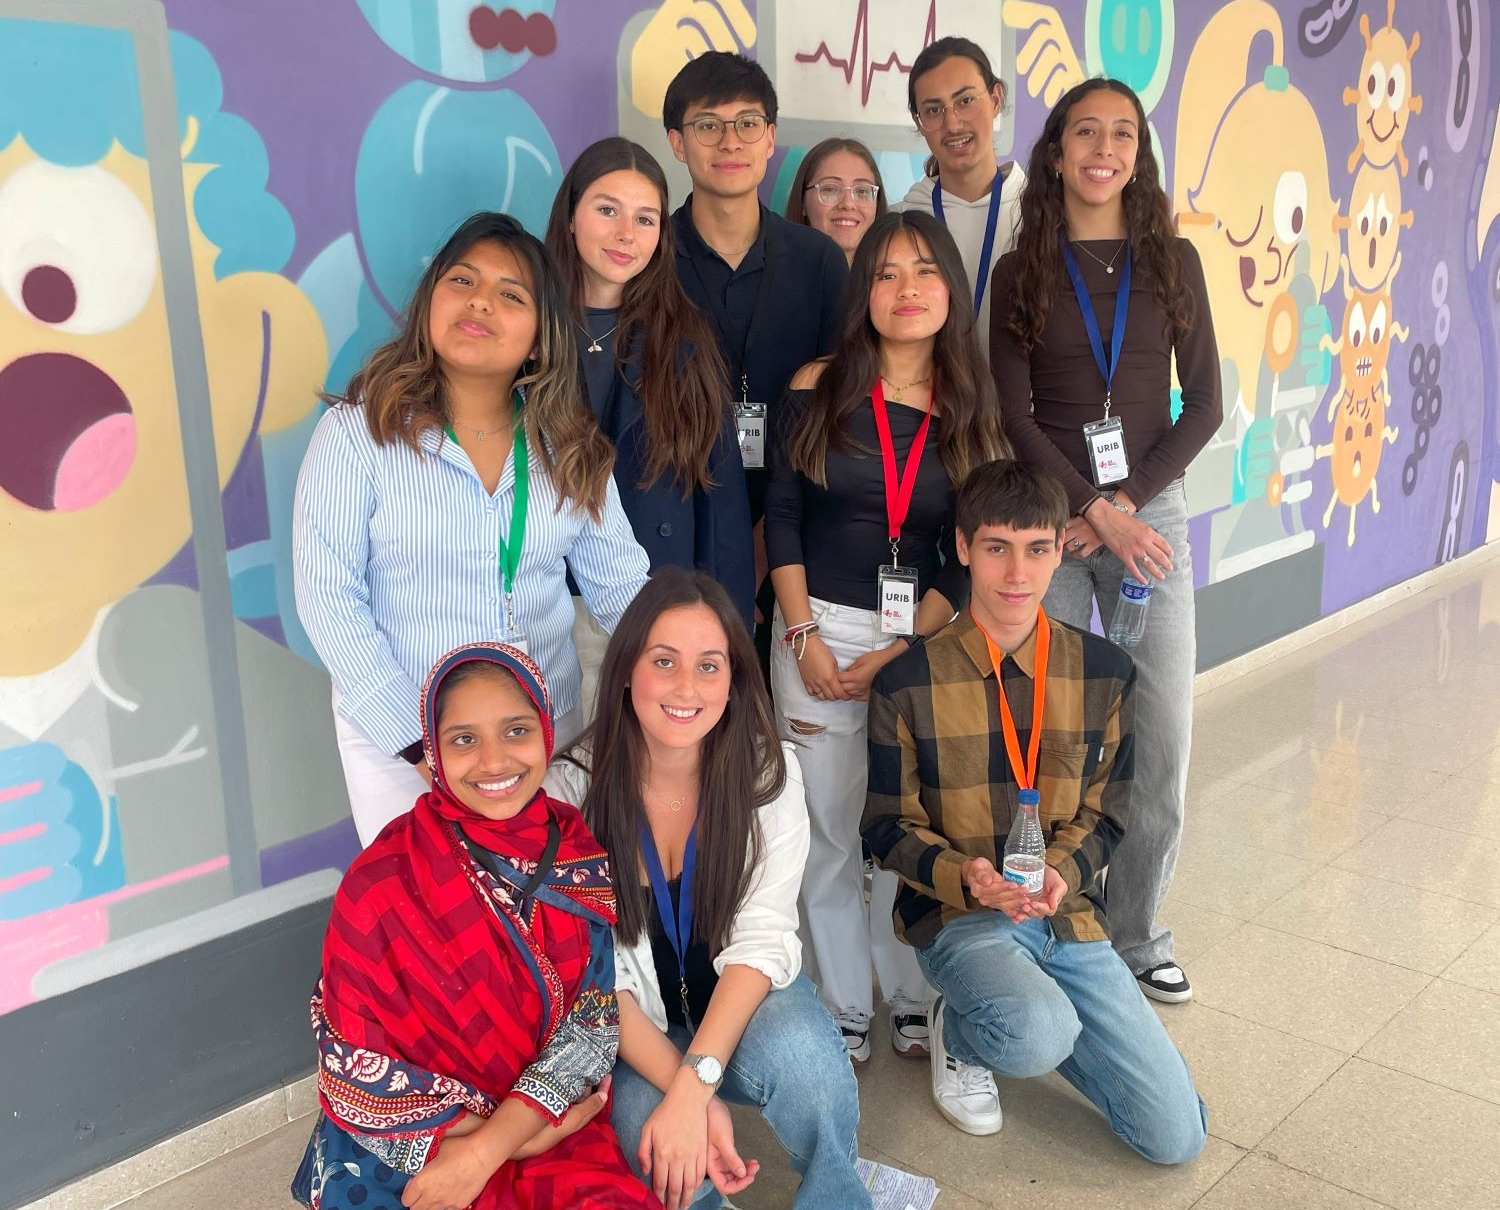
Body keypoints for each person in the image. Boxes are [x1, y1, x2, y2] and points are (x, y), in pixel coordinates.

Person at [862, 459, 1207, 1161]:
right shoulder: (906, 680)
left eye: (1037, 548)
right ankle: (964, 1034)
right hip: (962, 918)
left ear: (1060, 550)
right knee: (1036, 1034)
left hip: (1066, 915)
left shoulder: (1106, 672)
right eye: (997, 547)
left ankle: (1033, 1010)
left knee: (1176, 1138)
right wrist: (969, 877)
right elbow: (886, 827)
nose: (1017, 574)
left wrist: (1061, 873)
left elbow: (1108, 813)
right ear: (964, 548)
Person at [294, 211, 651, 845]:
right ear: (430, 303)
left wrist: (681, 671)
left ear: (540, 338)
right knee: (432, 904)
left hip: (541, 735)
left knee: (542, 899)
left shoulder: (568, 446)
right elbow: (328, 597)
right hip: (405, 742)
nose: (480, 301)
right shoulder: (357, 434)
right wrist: (417, 741)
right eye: (462, 281)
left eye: (511, 295)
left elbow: (621, 587)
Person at [989, 79, 1222, 1002]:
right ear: (1056, 152)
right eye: (1086, 131)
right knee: (1044, 737)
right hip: (1049, 522)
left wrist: (1122, 505)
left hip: (1146, 516)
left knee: (1159, 733)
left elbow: (1204, 407)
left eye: (1123, 134)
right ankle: (1038, 926)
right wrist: (1089, 508)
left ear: (1139, 154)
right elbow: (1014, 414)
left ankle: (1136, 935)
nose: (1104, 148)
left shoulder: (1175, 262)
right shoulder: (1020, 271)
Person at [291, 642, 663, 1210]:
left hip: (545, 1128)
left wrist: (496, 1148)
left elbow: (590, 1026)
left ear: (545, 732)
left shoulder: (573, 855)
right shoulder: (379, 882)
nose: (493, 761)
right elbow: (352, 1070)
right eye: (464, 739)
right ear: (434, 751)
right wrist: (480, 1145)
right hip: (410, 1149)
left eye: (516, 731)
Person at [765, 210, 1009, 1066]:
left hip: (921, 640)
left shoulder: (972, 404)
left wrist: (903, 651)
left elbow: (967, 551)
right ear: (863, 291)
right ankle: (842, 1003)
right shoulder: (817, 385)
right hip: (816, 631)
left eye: (925, 270)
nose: (907, 289)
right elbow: (782, 516)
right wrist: (803, 635)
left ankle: (908, 992)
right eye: (887, 272)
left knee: (906, 829)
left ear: (951, 290)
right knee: (830, 831)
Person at [547, 569, 869, 1210]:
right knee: (661, 1150)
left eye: (709, 666)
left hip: (742, 1007)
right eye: (664, 661)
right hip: (636, 1030)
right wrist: (688, 1095)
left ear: (734, 679)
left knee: (809, 1067)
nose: (686, 688)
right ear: (626, 670)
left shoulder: (769, 773)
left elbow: (762, 940)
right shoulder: (570, 792)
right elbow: (594, 977)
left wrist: (697, 1084)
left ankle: (838, 1196)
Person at [545, 136, 754, 707]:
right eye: (607, 210)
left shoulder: (684, 339)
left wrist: (728, 635)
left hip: (651, 604)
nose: (625, 234)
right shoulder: (526, 328)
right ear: (570, 215)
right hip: (535, 604)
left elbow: (720, 502)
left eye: (645, 219)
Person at [661, 51, 849, 651]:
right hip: (672, 524)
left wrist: (771, 536)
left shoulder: (819, 261)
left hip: (794, 531)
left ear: (770, 139)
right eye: (708, 125)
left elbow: (836, 409)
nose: (730, 141)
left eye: (747, 123)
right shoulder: (648, 257)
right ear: (677, 142)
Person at [897, 36, 1026, 357]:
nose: (952, 124)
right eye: (933, 110)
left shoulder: (1042, 212)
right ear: (919, 122)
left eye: (965, 100)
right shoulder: (901, 221)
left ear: (995, 99)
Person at [783, 136, 887, 265]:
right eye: (831, 189)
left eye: (862, 191)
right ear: (803, 202)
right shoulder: (773, 275)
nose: (848, 204)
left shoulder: (898, 276)